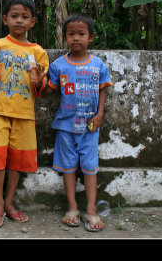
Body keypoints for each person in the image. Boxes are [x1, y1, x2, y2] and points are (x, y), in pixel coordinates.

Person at [0, 0, 49, 228]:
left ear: (33, 22)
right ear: (5, 19)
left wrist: (39, 80)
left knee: (17, 162)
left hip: (25, 116)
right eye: (14, 16)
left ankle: (9, 202)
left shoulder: (38, 52)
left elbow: (40, 86)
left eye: (25, 17)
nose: (19, 20)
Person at [43, 13, 113, 232]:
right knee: (69, 168)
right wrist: (37, 78)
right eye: (71, 34)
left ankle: (91, 210)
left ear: (90, 37)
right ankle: (72, 208)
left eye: (81, 34)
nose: (76, 38)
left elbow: (103, 90)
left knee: (90, 169)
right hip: (65, 127)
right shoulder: (58, 65)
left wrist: (100, 114)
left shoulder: (98, 65)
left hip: (90, 127)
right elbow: (48, 91)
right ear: (64, 37)